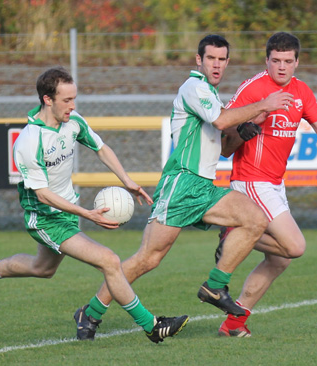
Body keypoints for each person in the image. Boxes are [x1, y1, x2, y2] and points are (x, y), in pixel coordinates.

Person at [73, 35, 295, 341]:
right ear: (198, 60)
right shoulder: (194, 87)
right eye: (211, 59)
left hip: (203, 186)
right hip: (180, 185)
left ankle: (215, 285)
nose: (216, 64)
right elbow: (219, 122)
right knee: (147, 259)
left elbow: (225, 147)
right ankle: (91, 312)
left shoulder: (211, 94)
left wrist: (244, 131)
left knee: (255, 219)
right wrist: (263, 104)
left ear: (227, 62)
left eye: (222, 59)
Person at [0, 66, 190, 344]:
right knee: (110, 261)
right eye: (66, 100)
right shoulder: (29, 141)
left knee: (43, 269)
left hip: (66, 212)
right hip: (45, 218)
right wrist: (86, 214)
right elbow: (42, 194)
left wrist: (126, 180)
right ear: (47, 99)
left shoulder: (72, 121)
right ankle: (152, 325)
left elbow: (100, 147)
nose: (72, 105)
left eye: (74, 99)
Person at [216, 32, 317, 338]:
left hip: (275, 184)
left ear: (296, 62)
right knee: (295, 246)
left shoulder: (302, 91)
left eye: (288, 61)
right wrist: (244, 127)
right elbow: (225, 137)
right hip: (250, 180)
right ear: (267, 61)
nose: (282, 67)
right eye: (276, 60)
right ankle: (234, 232)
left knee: (279, 260)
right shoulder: (253, 88)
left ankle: (233, 324)